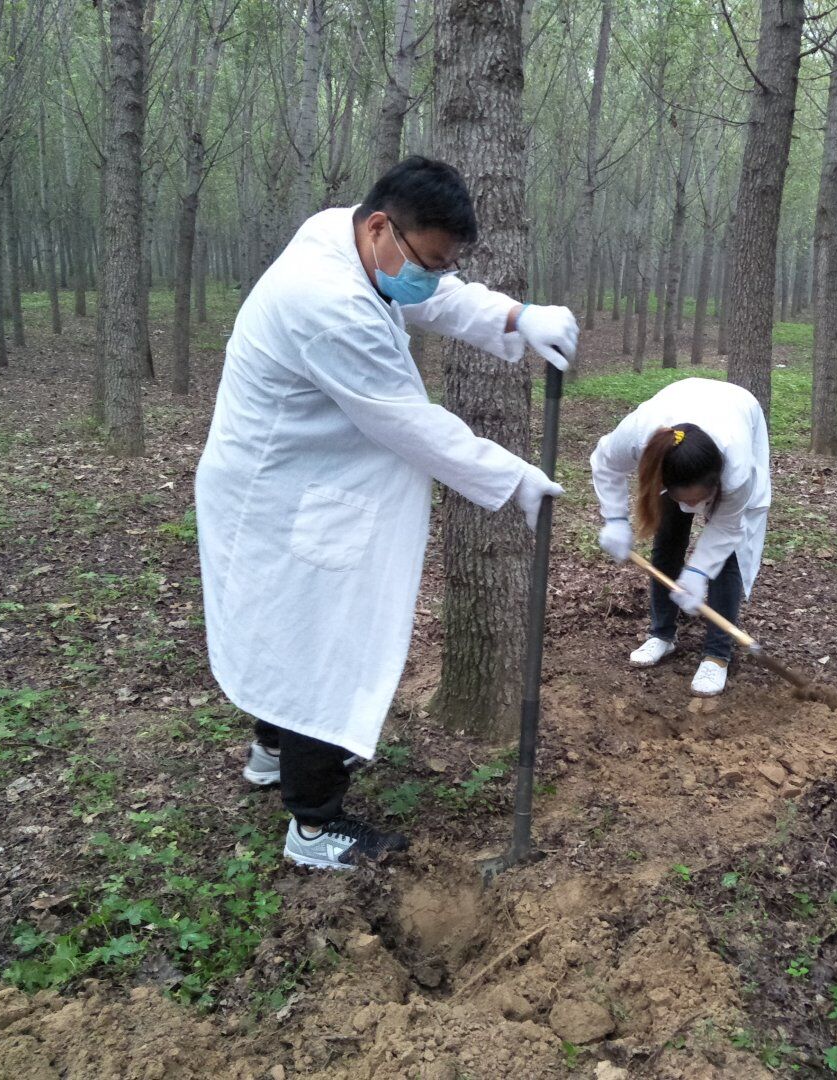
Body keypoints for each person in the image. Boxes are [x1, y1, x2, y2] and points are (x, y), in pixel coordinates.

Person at [196, 157, 578, 870]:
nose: (432, 277)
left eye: (444, 263)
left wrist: (515, 316)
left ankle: (272, 752)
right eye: (429, 262)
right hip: (284, 488)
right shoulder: (327, 303)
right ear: (380, 228)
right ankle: (314, 828)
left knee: (286, 629)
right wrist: (513, 480)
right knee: (323, 649)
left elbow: (429, 296)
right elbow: (407, 421)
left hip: (298, 476)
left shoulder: (344, 237)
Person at [590, 378, 771, 697]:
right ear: (664, 481)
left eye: (699, 499)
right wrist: (615, 519)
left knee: (727, 558)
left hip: (737, 408)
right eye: (682, 498)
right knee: (668, 540)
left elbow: (727, 528)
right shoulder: (641, 436)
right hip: (680, 406)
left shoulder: (737, 469)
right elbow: (605, 463)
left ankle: (717, 654)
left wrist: (699, 570)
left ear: (717, 483)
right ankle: (661, 634)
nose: (692, 506)